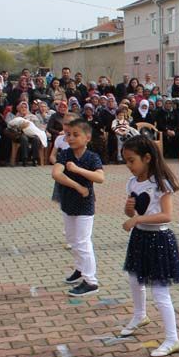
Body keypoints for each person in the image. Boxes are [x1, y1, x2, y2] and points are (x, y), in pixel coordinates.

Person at [117, 135, 179, 357]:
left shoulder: (160, 184)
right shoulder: (133, 182)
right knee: (134, 278)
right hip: (140, 238)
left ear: (146, 158)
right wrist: (130, 210)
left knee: (160, 291)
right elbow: (133, 212)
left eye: (131, 160)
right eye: (125, 161)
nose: (129, 166)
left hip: (159, 240)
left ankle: (172, 338)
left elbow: (167, 216)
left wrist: (136, 219)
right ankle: (140, 315)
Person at [51, 119, 104, 297]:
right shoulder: (65, 154)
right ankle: (80, 269)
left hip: (85, 206)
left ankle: (91, 281)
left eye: (75, 135)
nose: (71, 138)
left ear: (87, 137)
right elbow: (56, 173)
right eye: (68, 135)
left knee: (83, 241)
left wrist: (78, 170)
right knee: (73, 240)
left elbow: (100, 177)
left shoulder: (92, 157)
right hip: (68, 202)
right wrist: (77, 186)